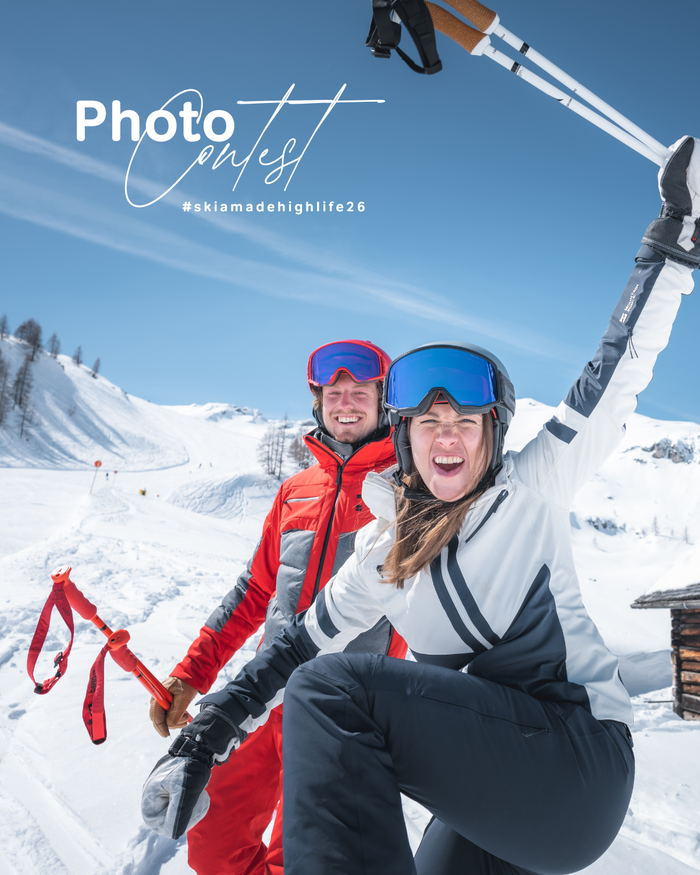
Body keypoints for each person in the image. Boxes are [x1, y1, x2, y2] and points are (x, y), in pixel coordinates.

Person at [143, 138, 700, 874]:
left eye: (466, 421)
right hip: (505, 794)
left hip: (580, 759)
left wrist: (673, 236)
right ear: (403, 439)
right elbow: (294, 644)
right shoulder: (386, 553)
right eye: (428, 422)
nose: (447, 436)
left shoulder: (530, 489)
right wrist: (204, 735)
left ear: (492, 435)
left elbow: (616, 371)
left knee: (331, 693)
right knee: (322, 683)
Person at [147, 339, 407, 875]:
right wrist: (192, 674)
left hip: (344, 708)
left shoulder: (408, 489)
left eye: (360, 391)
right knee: (215, 844)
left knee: (308, 856)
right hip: (262, 700)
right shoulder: (296, 490)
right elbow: (253, 592)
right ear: (318, 402)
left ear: (383, 400)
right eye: (334, 392)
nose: (346, 402)